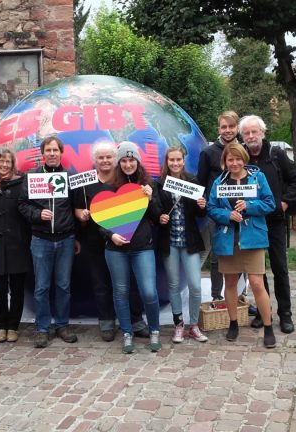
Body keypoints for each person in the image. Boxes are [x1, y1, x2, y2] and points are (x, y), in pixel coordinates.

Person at [74, 142, 149, 342]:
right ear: (95, 161)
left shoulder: (122, 183)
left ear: (115, 159)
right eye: (101, 157)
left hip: (123, 243)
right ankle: (106, 322)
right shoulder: (85, 183)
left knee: (129, 284)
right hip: (95, 242)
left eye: (109, 157)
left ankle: (136, 321)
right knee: (101, 285)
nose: (105, 161)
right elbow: (77, 209)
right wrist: (83, 215)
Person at [240, 115, 296, 334]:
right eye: (247, 133)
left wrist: (285, 203)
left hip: (276, 221)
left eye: (254, 132)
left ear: (262, 132)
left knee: (280, 268)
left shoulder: (276, 154)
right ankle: (262, 311)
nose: (251, 136)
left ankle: (285, 314)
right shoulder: (241, 156)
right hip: (253, 222)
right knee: (257, 271)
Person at [207, 143, 277, 348]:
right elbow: (211, 208)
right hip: (229, 239)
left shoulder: (258, 178)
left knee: (256, 283)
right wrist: (227, 215)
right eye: (230, 159)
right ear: (225, 162)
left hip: (252, 238)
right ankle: (233, 322)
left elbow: (269, 203)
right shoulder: (220, 182)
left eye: (238, 159)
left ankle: (268, 326)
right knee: (229, 283)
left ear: (244, 159)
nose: (235, 163)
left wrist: (250, 205)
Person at [18, 136, 80, 348]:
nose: (52, 154)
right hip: (41, 239)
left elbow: (76, 208)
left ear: (61, 153)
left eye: (55, 150)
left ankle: (62, 325)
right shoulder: (32, 176)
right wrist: (37, 214)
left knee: (64, 286)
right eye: (48, 150)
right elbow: (22, 204)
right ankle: (43, 328)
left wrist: (77, 236)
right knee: (41, 287)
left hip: (66, 239)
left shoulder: (70, 177)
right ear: (42, 154)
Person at [102, 141, 162, 354]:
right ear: (119, 163)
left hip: (142, 247)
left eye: (131, 160)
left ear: (138, 161)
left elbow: (158, 217)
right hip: (116, 249)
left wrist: (151, 198)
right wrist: (112, 235)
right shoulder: (111, 186)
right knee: (121, 291)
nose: (128, 164)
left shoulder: (149, 184)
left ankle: (154, 330)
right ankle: (127, 333)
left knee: (148, 291)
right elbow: (100, 221)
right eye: (124, 160)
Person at [156, 145, 210, 343]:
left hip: (189, 241)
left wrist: (202, 206)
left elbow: (200, 214)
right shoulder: (160, 184)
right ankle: (179, 324)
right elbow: (155, 211)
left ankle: (193, 325)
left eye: (178, 159)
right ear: (167, 161)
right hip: (169, 241)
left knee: (195, 285)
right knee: (174, 284)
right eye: (172, 160)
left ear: (183, 161)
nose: (175, 163)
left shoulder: (192, 181)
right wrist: (159, 217)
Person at [0, 147, 30, 343]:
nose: (4, 165)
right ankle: (1, 325)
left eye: (8, 162)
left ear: (13, 165)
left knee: (17, 288)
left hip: (17, 243)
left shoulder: (21, 184)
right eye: (0, 161)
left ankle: (13, 326)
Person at [198, 111, 242, 301]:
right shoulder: (208, 153)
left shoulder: (244, 149)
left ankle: (240, 294)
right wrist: (205, 204)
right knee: (217, 255)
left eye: (231, 127)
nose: (228, 130)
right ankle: (217, 297)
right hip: (216, 213)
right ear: (219, 129)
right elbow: (200, 182)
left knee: (242, 253)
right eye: (224, 127)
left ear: (237, 128)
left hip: (242, 211)